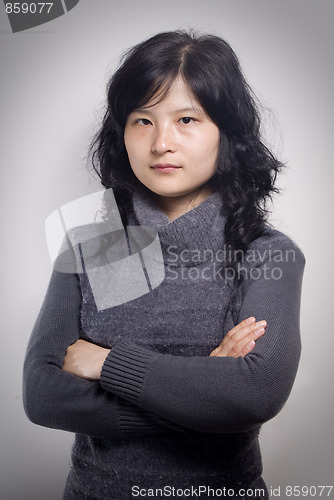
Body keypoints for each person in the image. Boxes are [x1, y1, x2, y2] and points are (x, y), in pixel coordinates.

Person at [23, 30, 305, 499]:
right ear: (123, 134)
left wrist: (107, 363)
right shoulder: (88, 248)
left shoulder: (266, 253)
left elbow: (255, 394)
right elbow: (41, 394)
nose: (161, 144)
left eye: (187, 119)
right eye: (142, 120)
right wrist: (198, 397)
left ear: (226, 132)